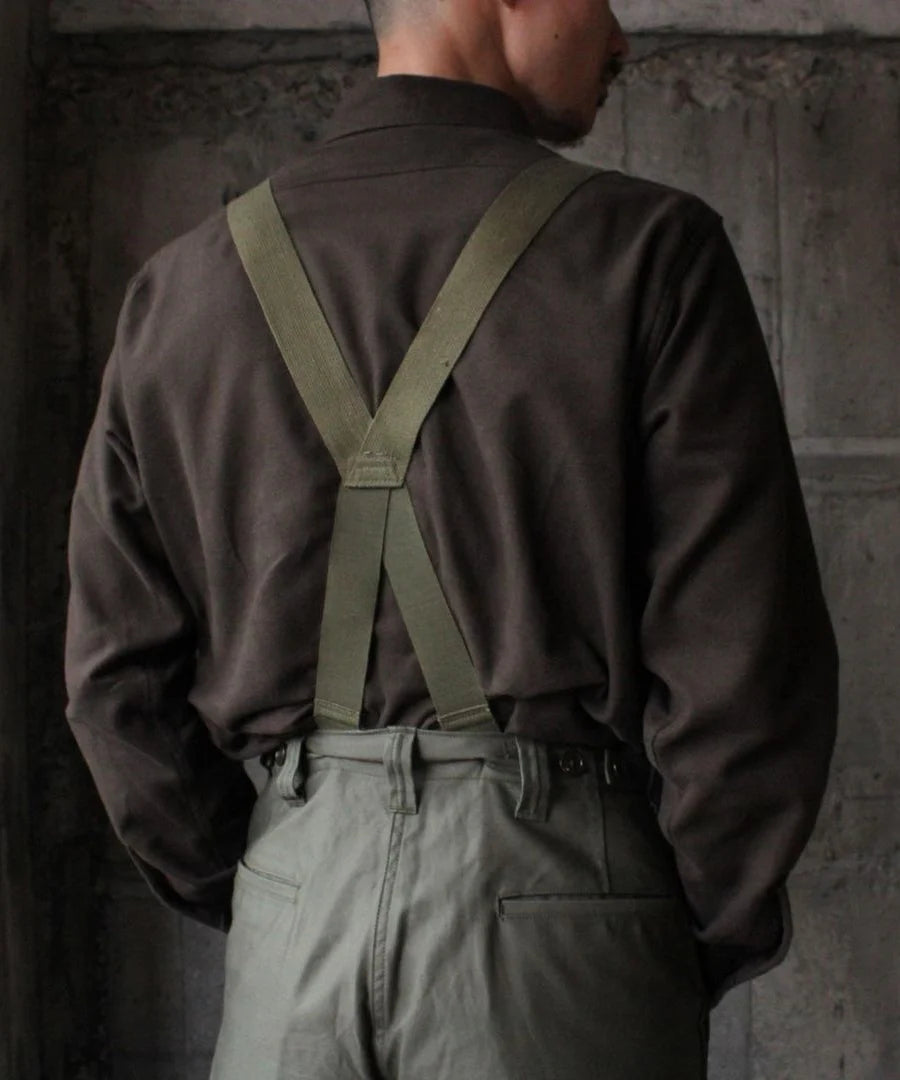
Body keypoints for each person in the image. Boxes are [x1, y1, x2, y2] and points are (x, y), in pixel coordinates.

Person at [63, 0, 839, 1077]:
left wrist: (271, 880)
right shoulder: (650, 252)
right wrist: (662, 928)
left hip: (290, 925)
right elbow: (745, 658)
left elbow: (114, 681)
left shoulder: (178, 289)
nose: (620, 36)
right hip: (565, 927)